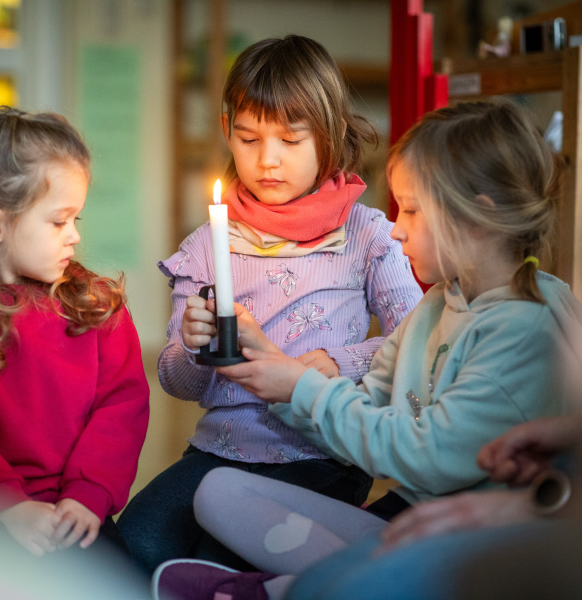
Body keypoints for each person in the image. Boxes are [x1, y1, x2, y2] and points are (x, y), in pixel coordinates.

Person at [153, 100, 582, 600]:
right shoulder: (436, 307)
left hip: (475, 542)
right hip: (405, 517)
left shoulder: (522, 329)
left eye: (414, 209)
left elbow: (422, 456)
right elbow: (366, 411)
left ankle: (289, 589)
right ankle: (305, 584)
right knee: (217, 491)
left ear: (477, 219)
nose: (397, 227)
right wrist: (274, 368)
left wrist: (301, 386)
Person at [118, 35, 422, 573]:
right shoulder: (208, 245)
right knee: (134, 548)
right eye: (249, 138)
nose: (267, 160)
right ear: (225, 131)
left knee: (222, 563)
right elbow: (179, 384)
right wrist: (190, 347)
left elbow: (418, 339)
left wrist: (336, 363)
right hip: (219, 451)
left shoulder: (367, 235)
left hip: (323, 456)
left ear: (327, 134)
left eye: (289, 139)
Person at [0, 107, 150, 557]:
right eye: (57, 221)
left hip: (79, 515)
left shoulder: (98, 309)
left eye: (76, 221)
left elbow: (121, 409)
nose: (73, 237)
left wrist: (87, 495)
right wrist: (9, 506)